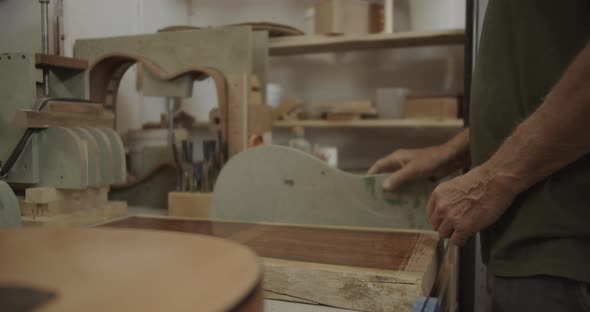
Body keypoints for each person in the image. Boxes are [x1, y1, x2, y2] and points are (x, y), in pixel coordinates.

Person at [369, 1, 590, 311]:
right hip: (528, 248)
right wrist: (448, 154)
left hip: (562, 252)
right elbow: (530, 94)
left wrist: (492, 179)